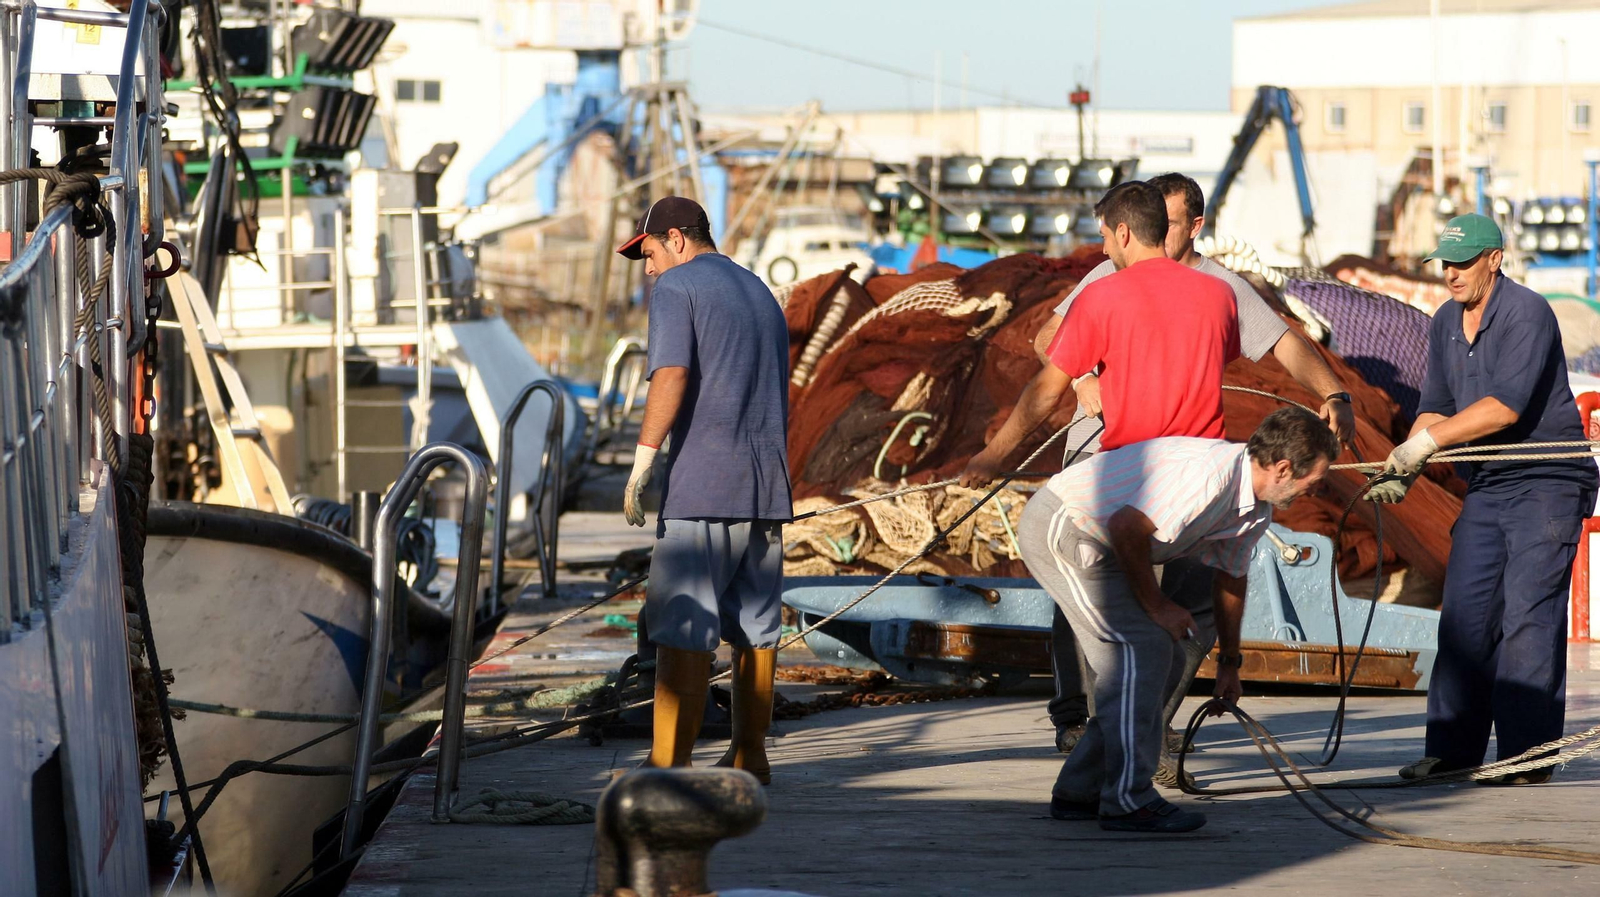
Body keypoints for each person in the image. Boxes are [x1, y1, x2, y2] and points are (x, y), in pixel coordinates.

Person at [1028, 172, 1355, 755]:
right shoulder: (1108, 272)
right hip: (1106, 461)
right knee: (1089, 590)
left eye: (1169, 220)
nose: (1153, 232)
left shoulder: (1220, 287)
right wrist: (1081, 381)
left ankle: (1142, 726)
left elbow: (1284, 343)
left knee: (1194, 601)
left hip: (1187, 474)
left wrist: (1334, 393)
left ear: (1195, 226)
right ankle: (1078, 720)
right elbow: (1048, 339)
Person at [1018, 408, 1340, 832]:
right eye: (1312, 481)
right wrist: (1157, 606)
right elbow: (1126, 526)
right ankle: (1128, 800)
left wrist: (1230, 662)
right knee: (1142, 650)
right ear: (1283, 468)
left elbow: (1231, 579)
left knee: (1162, 659)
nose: (1314, 492)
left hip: (1107, 543)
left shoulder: (1255, 509)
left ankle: (1080, 790)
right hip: (1065, 526)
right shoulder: (1208, 479)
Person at [1368, 214, 1598, 785]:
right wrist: (1411, 452)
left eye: (1463, 262)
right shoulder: (1444, 320)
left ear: (1494, 258)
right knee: (1464, 619)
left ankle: (1526, 756)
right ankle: (1451, 752)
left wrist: (1426, 442)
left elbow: (1504, 407)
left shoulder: (1527, 312)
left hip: (1547, 480)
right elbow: (1435, 404)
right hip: (1490, 483)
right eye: (1444, 263)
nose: (1451, 274)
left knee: (1527, 617)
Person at [617, 196, 793, 784]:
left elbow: (671, 373)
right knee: (758, 626)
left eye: (647, 254)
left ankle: (670, 762)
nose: (646, 269)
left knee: (682, 623)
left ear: (675, 238)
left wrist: (643, 461)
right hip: (766, 486)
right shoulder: (759, 291)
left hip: (702, 484)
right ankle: (752, 755)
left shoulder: (677, 288)